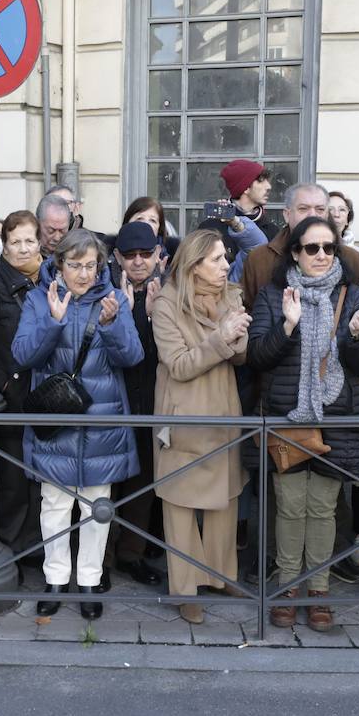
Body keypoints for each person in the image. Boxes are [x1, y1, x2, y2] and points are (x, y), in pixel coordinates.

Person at [249, 217, 359, 630]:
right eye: (312, 248)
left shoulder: (353, 295)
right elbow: (258, 358)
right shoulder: (274, 296)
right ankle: (290, 587)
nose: (322, 255)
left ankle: (318, 591)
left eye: (328, 247)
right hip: (288, 418)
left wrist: (358, 338)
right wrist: (288, 324)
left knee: (323, 509)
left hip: (337, 418)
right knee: (290, 508)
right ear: (294, 252)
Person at [13, 228, 144, 620]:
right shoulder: (40, 298)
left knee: (96, 506)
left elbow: (133, 357)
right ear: (59, 264)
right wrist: (52, 323)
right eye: (75, 265)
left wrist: (114, 323)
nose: (84, 274)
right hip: (57, 419)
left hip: (101, 421)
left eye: (91, 265)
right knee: (54, 504)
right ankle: (55, 577)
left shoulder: (114, 298)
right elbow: (22, 355)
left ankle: (89, 579)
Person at [151, 229, 251, 624]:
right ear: (193, 266)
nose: (226, 265)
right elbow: (178, 364)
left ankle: (221, 575)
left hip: (224, 411)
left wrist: (232, 338)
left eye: (225, 257)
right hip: (183, 416)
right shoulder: (166, 305)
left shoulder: (233, 295)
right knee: (180, 503)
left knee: (226, 498)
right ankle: (185, 589)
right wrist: (221, 338)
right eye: (217, 259)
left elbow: (241, 356)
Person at [108, 221, 166, 588]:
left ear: (159, 255)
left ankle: (131, 554)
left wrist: (154, 314)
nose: (139, 262)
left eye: (146, 254)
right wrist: (129, 315)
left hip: (153, 404)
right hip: (113, 403)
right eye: (130, 256)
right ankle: (101, 558)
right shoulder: (106, 293)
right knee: (109, 485)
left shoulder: (169, 295)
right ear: (117, 258)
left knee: (143, 484)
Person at [0, 211, 43, 555]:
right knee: (12, 482)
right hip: (13, 397)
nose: (23, 249)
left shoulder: (51, 276)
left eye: (29, 241)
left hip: (47, 395)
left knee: (42, 482)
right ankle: (11, 551)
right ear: (4, 246)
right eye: (15, 242)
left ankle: (39, 549)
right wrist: (3, 383)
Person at [220, 159, 281, 239]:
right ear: (245, 187)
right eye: (260, 181)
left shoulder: (273, 232)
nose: (269, 187)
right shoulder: (212, 229)